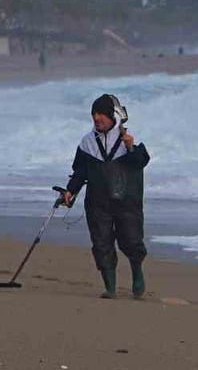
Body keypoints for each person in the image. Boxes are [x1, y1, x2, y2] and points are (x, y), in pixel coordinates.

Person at [62, 94, 151, 299]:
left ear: (113, 116)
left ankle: (137, 272)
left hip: (127, 202)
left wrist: (130, 147)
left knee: (131, 240)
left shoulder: (127, 138)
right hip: (97, 203)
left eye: (101, 114)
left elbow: (141, 162)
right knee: (101, 243)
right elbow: (79, 172)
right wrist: (70, 191)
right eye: (94, 114)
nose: (97, 118)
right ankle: (110, 287)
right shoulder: (87, 143)